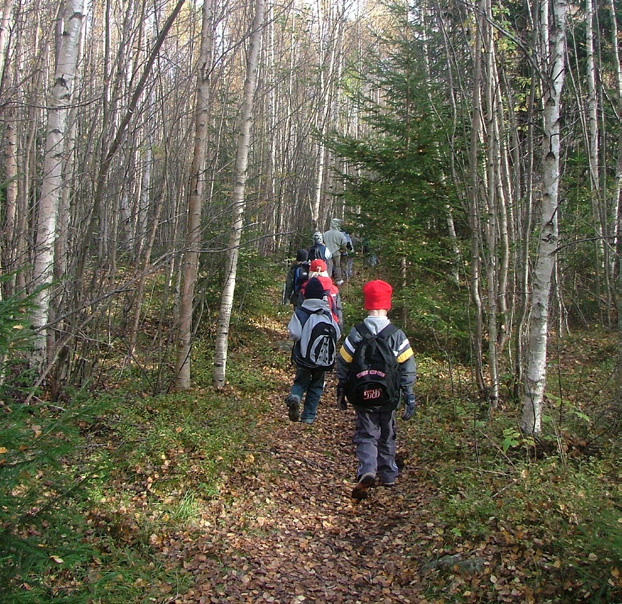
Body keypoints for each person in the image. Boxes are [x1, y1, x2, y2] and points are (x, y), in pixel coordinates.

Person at [336, 280, 416, 500]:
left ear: (367, 304)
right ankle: (388, 474)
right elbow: (407, 365)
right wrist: (409, 394)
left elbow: (343, 361)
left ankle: (368, 469)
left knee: (366, 433)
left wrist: (341, 389)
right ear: (387, 305)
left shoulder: (357, 332)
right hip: (388, 396)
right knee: (387, 433)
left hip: (362, 396)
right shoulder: (396, 335)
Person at [285, 277, 341, 425]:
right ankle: (309, 416)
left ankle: (296, 397)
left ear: (306, 295)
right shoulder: (327, 313)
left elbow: (295, 334)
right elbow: (337, 333)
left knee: (300, 381)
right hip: (322, 359)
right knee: (316, 386)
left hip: (304, 358)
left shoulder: (301, 312)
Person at [300, 259, 344, 330]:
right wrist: (339, 328)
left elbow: (301, 310)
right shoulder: (334, 289)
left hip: (309, 327)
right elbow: (338, 309)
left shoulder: (304, 289)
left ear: (310, 272)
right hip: (331, 326)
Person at [323, 218, 348, 285]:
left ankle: (327, 280)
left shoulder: (325, 234)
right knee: (337, 266)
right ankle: (338, 280)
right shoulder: (340, 234)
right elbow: (345, 243)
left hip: (327, 253)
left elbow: (322, 243)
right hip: (337, 252)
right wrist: (342, 249)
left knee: (329, 266)